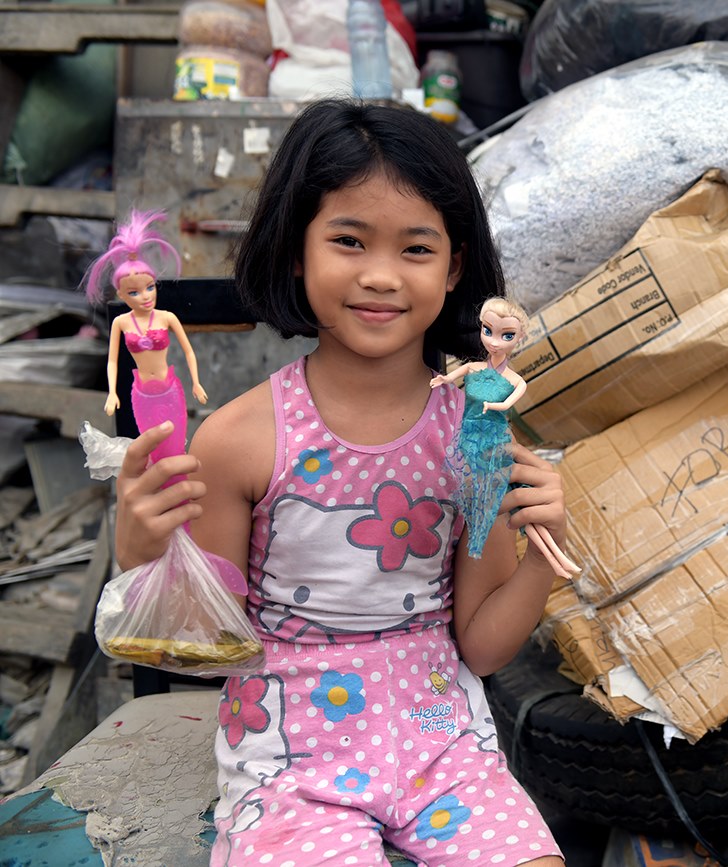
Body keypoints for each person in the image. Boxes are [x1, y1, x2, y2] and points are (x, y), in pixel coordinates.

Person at [112, 99, 567, 867]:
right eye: (349, 240)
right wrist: (142, 553)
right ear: (297, 249)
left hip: (445, 748)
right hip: (291, 762)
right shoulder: (239, 441)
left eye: (416, 248)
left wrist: (544, 551)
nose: (381, 275)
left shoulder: (476, 437)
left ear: (455, 266)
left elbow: (484, 648)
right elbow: (206, 647)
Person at [432, 297, 580, 579]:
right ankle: (553, 558)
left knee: (522, 498)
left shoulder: (515, 380)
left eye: (507, 335)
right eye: (488, 331)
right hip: (470, 441)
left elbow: (508, 403)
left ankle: (556, 557)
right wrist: (443, 381)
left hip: (496, 441)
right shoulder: (474, 368)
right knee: (512, 503)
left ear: (519, 338)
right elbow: (452, 379)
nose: (495, 342)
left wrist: (493, 406)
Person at [85, 209, 208, 483]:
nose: (144, 296)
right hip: (141, 394)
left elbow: (188, 351)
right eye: (134, 292)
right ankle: (163, 499)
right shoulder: (121, 323)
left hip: (170, 390)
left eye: (149, 287)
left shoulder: (167, 317)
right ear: (121, 294)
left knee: (175, 450)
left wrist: (196, 382)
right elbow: (112, 360)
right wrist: (112, 392)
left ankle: (181, 501)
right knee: (152, 454)